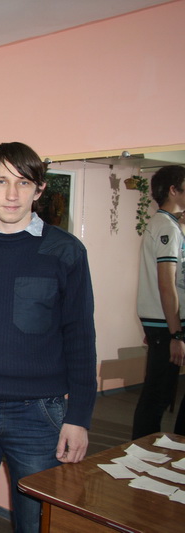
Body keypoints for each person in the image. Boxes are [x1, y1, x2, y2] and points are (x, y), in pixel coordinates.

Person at [0, 142, 97, 533]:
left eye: (23, 182)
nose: (11, 194)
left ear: (39, 189)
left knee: (35, 523)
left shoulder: (66, 251)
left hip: (38, 415)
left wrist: (79, 417)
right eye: (1, 182)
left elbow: (80, 337)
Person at [133, 165, 185, 439]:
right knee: (157, 395)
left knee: (159, 393)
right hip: (166, 324)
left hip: (164, 323)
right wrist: (176, 334)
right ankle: (141, 450)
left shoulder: (169, 225)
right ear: (174, 190)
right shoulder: (166, 227)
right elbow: (167, 284)